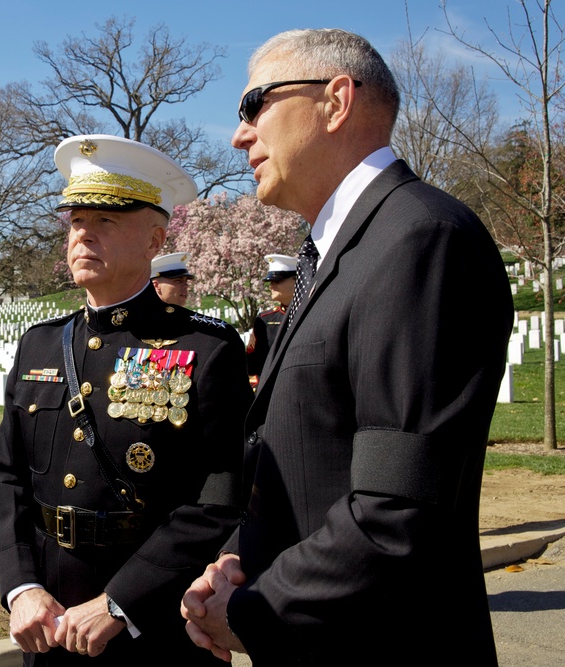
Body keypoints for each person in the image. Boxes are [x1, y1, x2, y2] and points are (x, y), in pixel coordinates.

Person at [181, 29, 512, 666]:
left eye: (255, 105)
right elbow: (312, 460)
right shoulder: (340, 253)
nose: (239, 135)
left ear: (335, 102)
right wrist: (236, 558)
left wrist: (254, 611)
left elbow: (398, 506)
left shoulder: (419, 240)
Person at [0, 134, 252, 665]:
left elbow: (219, 498)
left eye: (105, 221)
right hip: (50, 616)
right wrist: (21, 588)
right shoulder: (40, 342)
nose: (83, 235)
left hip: (154, 619)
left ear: (155, 240)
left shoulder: (205, 348)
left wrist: (120, 604)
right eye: (76, 221)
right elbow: (6, 476)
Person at [244, 254, 296, 382]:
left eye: (277, 280)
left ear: (297, 280)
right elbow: (253, 361)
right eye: (270, 281)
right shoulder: (264, 320)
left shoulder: (311, 312)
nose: (271, 285)